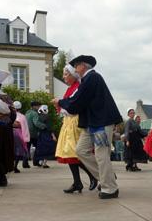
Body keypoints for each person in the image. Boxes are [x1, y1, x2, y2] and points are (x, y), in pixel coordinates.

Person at [53, 55, 123, 199]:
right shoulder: (87, 79)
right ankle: (106, 179)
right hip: (93, 123)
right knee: (81, 151)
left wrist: (61, 102)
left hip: (101, 124)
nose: (74, 68)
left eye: (76, 65)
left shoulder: (92, 78)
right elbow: (77, 101)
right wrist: (64, 103)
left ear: (83, 66)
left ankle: (110, 188)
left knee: (101, 154)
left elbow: (77, 101)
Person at [55, 64, 98, 193]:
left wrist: (60, 103)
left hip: (75, 122)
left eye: (66, 74)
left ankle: (93, 175)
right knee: (69, 154)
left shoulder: (78, 87)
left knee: (76, 153)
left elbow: (72, 106)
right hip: (68, 122)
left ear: (74, 74)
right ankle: (78, 182)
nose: (63, 77)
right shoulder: (70, 89)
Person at [25, 101, 47, 167]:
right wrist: (44, 126)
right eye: (38, 106)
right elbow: (36, 123)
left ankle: (25, 163)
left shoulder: (27, 112)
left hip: (27, 133)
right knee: (38, 148)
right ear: (34, 106)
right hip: (34, 133)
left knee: (27, 148)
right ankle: (35, 162)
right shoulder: (35, 113)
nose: (39, 107)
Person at [13, 101, 30, 172]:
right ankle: (15, 166)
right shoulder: (22, 116)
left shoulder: (8, 114)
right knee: (18, 151)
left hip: (9, 132)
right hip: (18, 134)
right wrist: (26, 138)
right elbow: (25, 128)